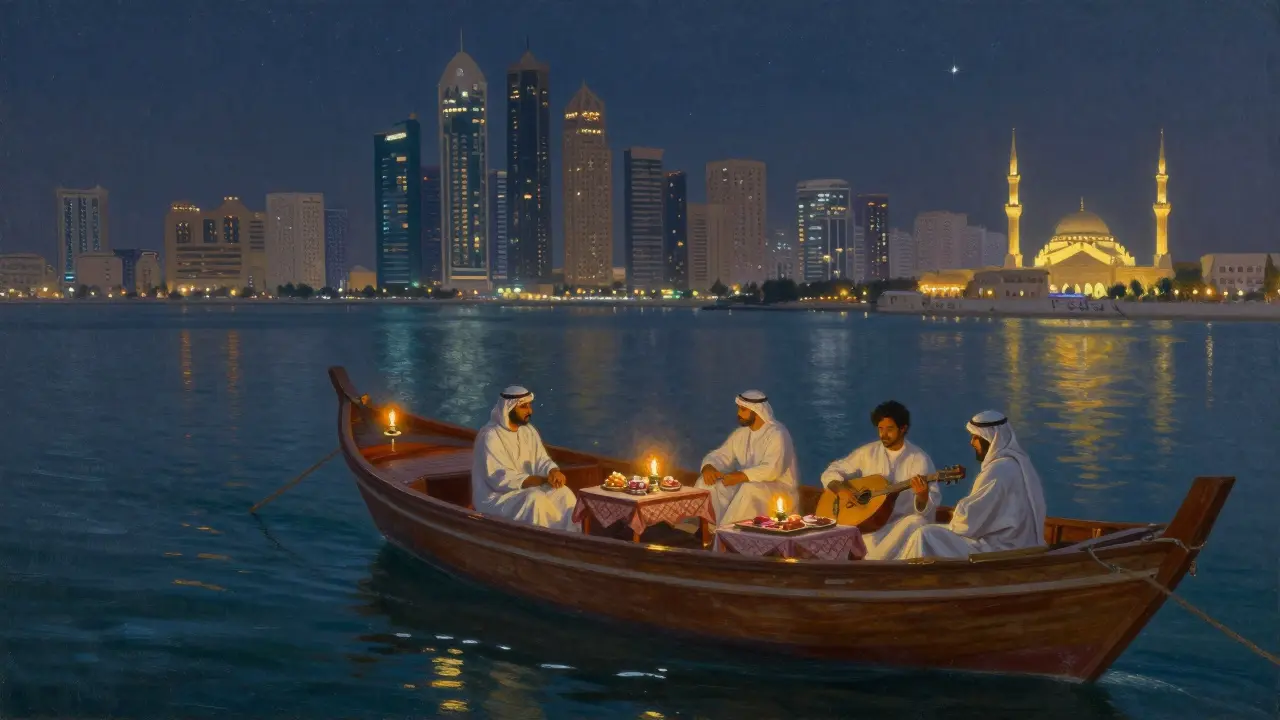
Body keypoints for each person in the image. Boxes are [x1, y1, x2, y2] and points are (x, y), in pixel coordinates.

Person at [891, 410, 1047, 560]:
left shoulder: (997, 471)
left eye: (975, 437)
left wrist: (959, 511)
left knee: (924, 535)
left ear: (990, 439)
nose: (971, 442)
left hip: (999, 549)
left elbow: (967, 522)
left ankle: (901, 580)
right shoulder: (1018, 464)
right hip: (1014, 543)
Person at [820, 401, 939, 560]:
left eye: (889, 429)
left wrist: (922, 497)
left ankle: (868, 567)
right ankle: (872, 565)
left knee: (916, 521)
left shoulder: (919, 460)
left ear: (903, 429)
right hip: (869, 528)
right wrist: (841, 489)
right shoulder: (868, 452)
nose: (883, 434)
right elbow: (831, 471)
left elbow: (930, 509)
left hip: (900, 530)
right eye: (880, 429)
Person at [470, 385, 579, 532]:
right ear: (509, 408)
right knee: (534, 499)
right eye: (524, 407)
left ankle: (572, 538)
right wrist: (542, 480)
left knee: (563, 494)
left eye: (529, 406)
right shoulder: (490, 436)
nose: (530, 411)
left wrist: (553, 471)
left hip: (529, 489)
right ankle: (541, 543)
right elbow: (499, 478)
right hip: (497, 497)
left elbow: (541, 460)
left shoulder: (528, 431)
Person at [695, 390, 800, 530]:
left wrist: (741, 476)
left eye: (743, 410)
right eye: (739, 409)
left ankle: (728, 537)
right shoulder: (741, 434)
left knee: (749, 489)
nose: (739, 413)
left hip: (779, 491)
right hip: (746, 484)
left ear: (756, 411)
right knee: (706, 483)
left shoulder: (778, 434)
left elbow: (772, 469)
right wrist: (709, 467)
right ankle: (708, 531)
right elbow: (721, 455)